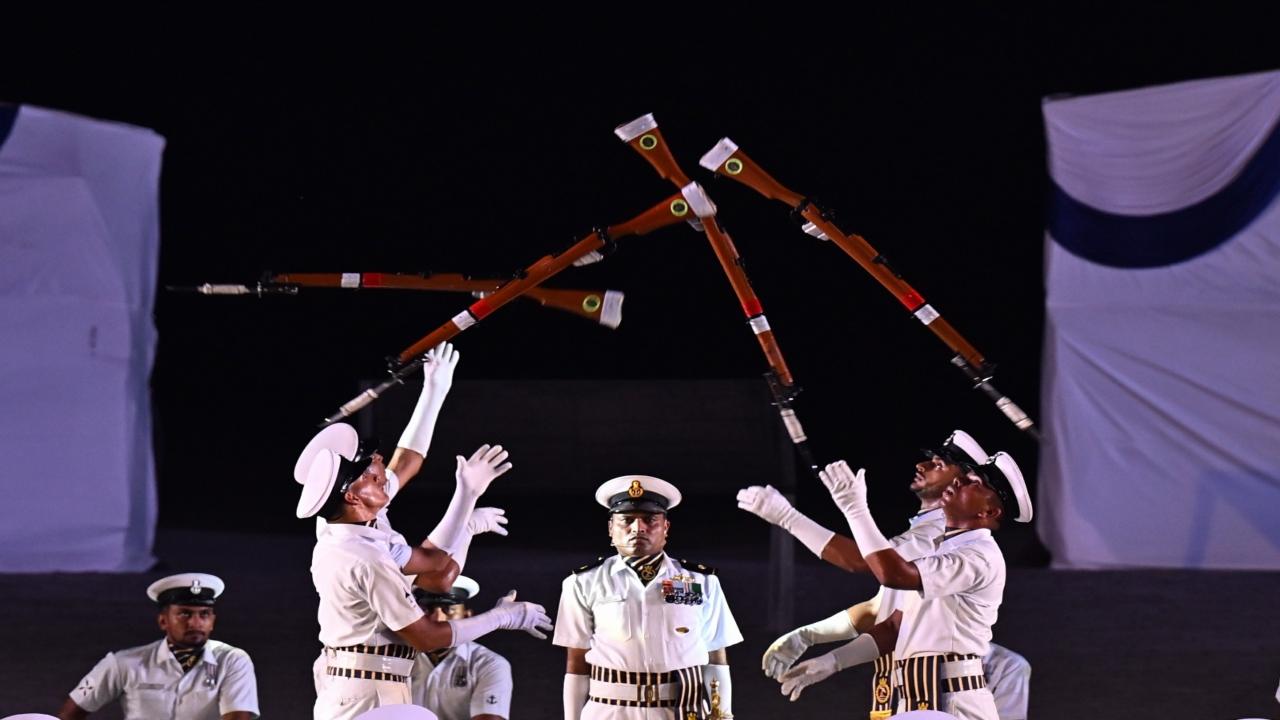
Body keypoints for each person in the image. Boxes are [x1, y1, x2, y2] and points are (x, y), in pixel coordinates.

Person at [299, 371, 552, 719]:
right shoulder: (366, 555)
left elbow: (438, 575)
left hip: (372, 681)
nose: (380, 472)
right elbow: (427, 636)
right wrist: (504, 616)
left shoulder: (356, 523)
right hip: (366, 689)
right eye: (371, 475)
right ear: (354, 495)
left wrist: (434, 391)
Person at [736, 430, 1031, 719]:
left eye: (944, 466)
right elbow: (890, 619)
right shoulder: (941, 544)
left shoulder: (968, 550)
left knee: (1011, 667)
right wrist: (829, 659)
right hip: (917, 693)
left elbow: (880, 569)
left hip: (946, 695)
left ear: (988, 513)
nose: (924, 466)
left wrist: (803, 517)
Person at [554, 475, 743, 720]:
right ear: (611, 528)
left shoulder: (702, 581)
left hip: (682, 709)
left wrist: (723, 715)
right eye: (627, 520)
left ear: (665, 527)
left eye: (650, 520)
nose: (638, 528)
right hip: (609, 710)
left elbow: (716, 654)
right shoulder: (582, 583)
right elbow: (577, 663)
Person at [57, 573, 259, 720]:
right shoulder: (125, 663)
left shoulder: (232, 661)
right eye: (185, 613)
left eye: (204, 614)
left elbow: (238, 717)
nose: (195, 623)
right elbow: (70, 713)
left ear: (213, 621)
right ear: (163, 621)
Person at [409, 577, 513, 720]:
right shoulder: (397, 657)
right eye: (428, 610)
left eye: (449, 610)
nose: (438, 618)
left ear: (467, 616)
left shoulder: (489, 664)